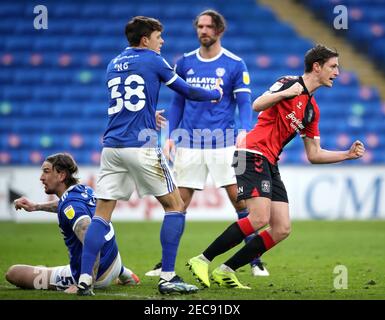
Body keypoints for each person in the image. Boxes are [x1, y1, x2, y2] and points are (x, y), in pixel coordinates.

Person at [187, 44, 366, 289]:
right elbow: (257, 104)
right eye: (333, 66)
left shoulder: (312, 111)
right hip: (250, 153)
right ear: (317, 66)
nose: (337, 71)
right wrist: (285, 94)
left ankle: (226, 269)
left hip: (270, 161)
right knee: (259, 217)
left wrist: (346, 154)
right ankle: (202, 259)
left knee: (282, 228)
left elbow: (313, 154)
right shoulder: (288, 82)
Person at [77, 16, 223, 296]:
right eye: (158, 37)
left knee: (102, 215)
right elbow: (187, 90)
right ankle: (167, 277)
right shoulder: (153, 60)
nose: (162, 42)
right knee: (175, 206)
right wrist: (214, 93)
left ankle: (85, 279)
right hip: (140, 146)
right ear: (145, 40)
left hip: (111, 147)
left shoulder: (113, 63)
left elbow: (125, 101)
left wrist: (146, 115)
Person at [145, 9, 269, 281]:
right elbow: (178, 102)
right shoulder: (185, 62)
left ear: (219, 31)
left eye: (208, 27)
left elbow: (245, 102)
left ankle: (254, 259)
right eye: (199, 26)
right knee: (178, 204)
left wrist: (245, 130)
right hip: (189, 143)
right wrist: (169, 136)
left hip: (224, 143)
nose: (202, 31)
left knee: (241, 202)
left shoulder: (235, 64)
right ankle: (164, 264)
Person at [6, 153, 140, 293]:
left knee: (14, 273)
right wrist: (36, 206)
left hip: (97, 275)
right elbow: (65, 205)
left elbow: (91, 238)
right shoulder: (84, 190)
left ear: (61, 175)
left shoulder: (71, 206)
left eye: (46, 171)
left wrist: (86, 283)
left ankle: (86, 281)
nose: (41, 177)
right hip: (114, 260)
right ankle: (125, 273)